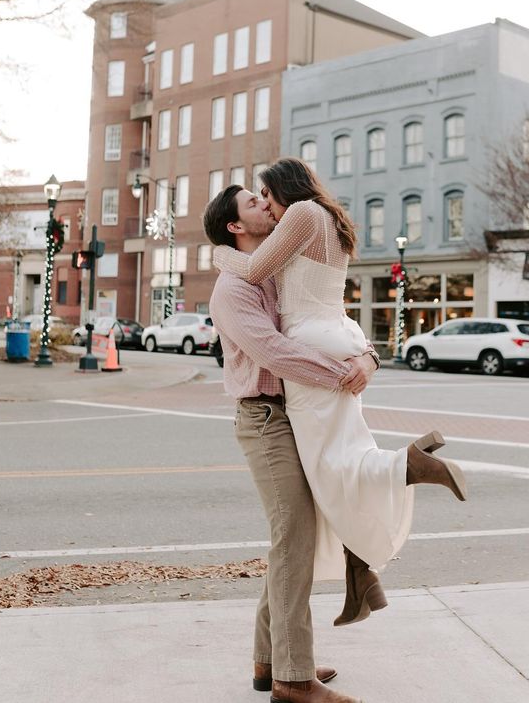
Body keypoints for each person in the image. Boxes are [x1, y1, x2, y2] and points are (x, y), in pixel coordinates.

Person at [212, 159, 467, 626]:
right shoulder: (321, 219)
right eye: (255, 201)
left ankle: (408, 465)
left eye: (264, 194)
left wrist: (217, 254)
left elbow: (251, 273)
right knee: (332, 468)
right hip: (333, 337)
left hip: (314, 353)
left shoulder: (302, 216)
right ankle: (358, 572)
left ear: (282, 188)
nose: (264, 204)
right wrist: (366, 355)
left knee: (333, 468)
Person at [204, 184, 379, 703]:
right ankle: (293, 679)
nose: (266, 204)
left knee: (291, 540)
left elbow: (325, 315)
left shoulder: (275, 273)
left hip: (296, 414)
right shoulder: (231, 290)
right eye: (252, 204)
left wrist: (367, 357)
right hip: (264, 418)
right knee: (295, 539)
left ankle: (270, 660)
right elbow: (275, 352)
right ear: (236, 227)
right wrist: (339, 373)